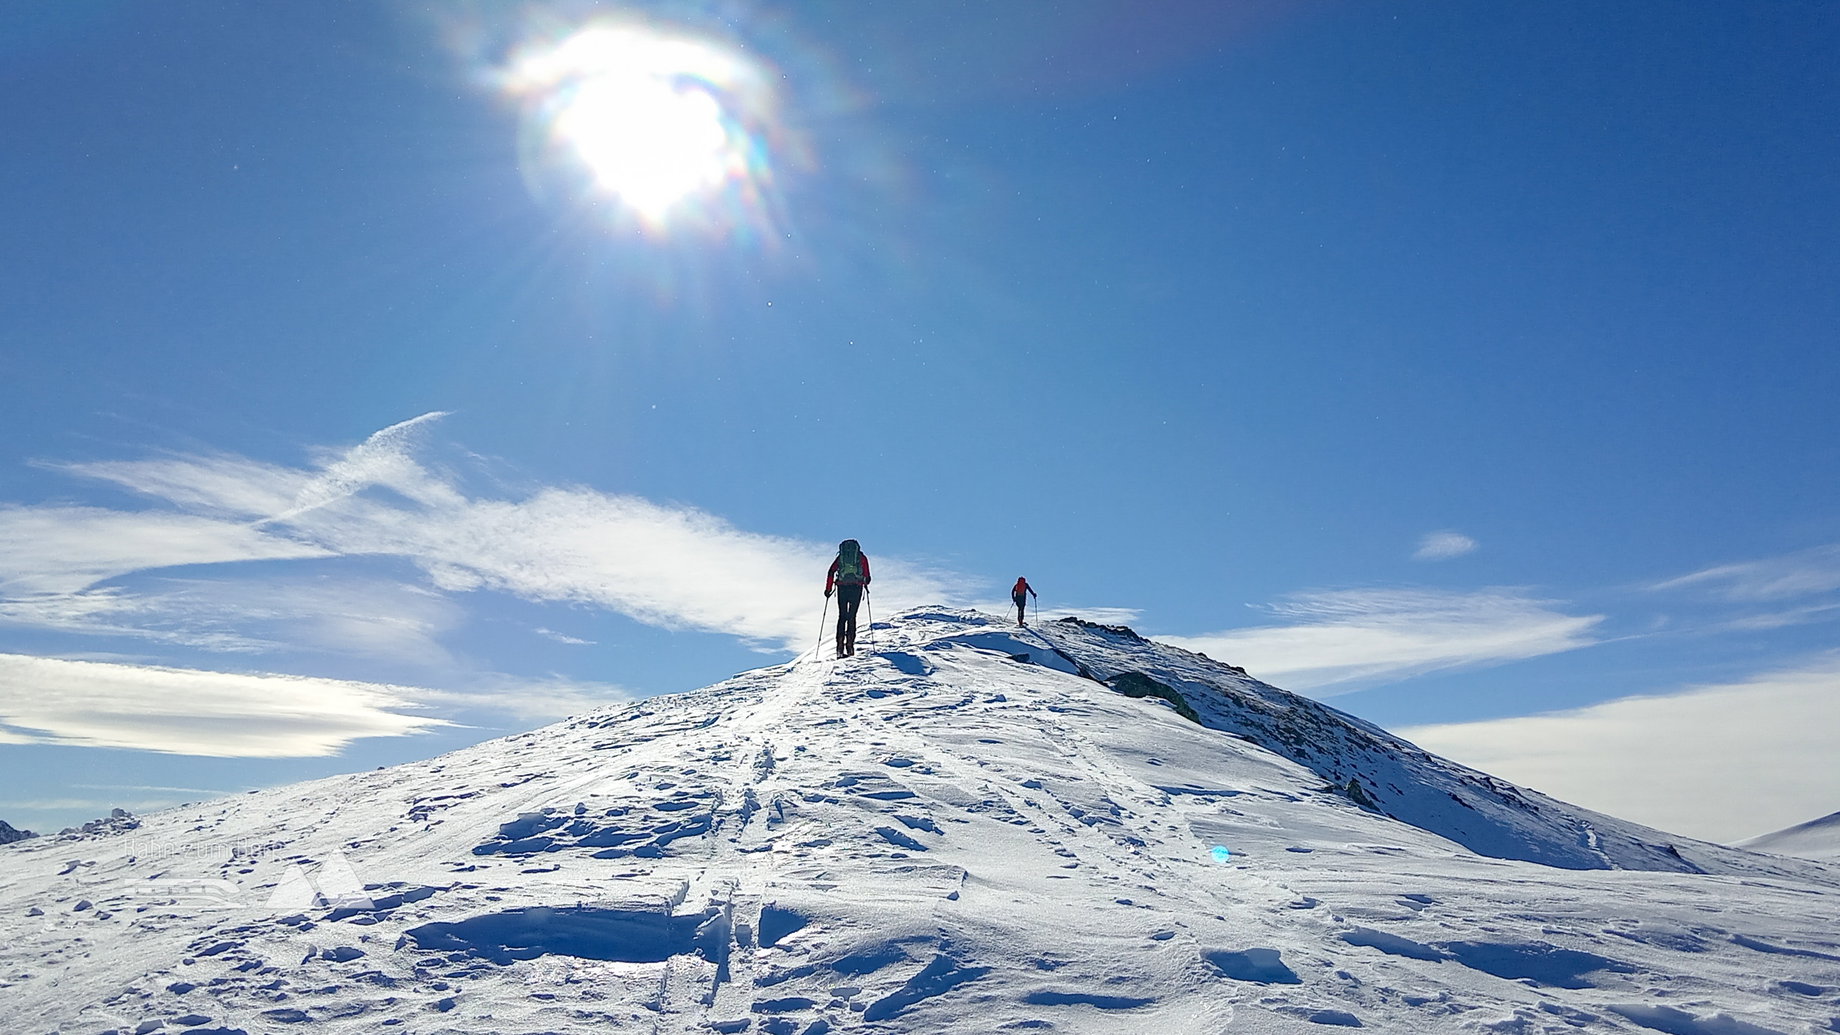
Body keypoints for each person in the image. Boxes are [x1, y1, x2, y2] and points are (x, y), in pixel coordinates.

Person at [824, 539, 871, 657]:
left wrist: (828, 589)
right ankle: (850, 647)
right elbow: (868, 577)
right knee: (852, 616)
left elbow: (831, 571)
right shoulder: (861, 558)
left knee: (842, 616)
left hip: (842, 587)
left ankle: (839, 647)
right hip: (856, 587)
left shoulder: (840, 558)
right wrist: (864, 581)